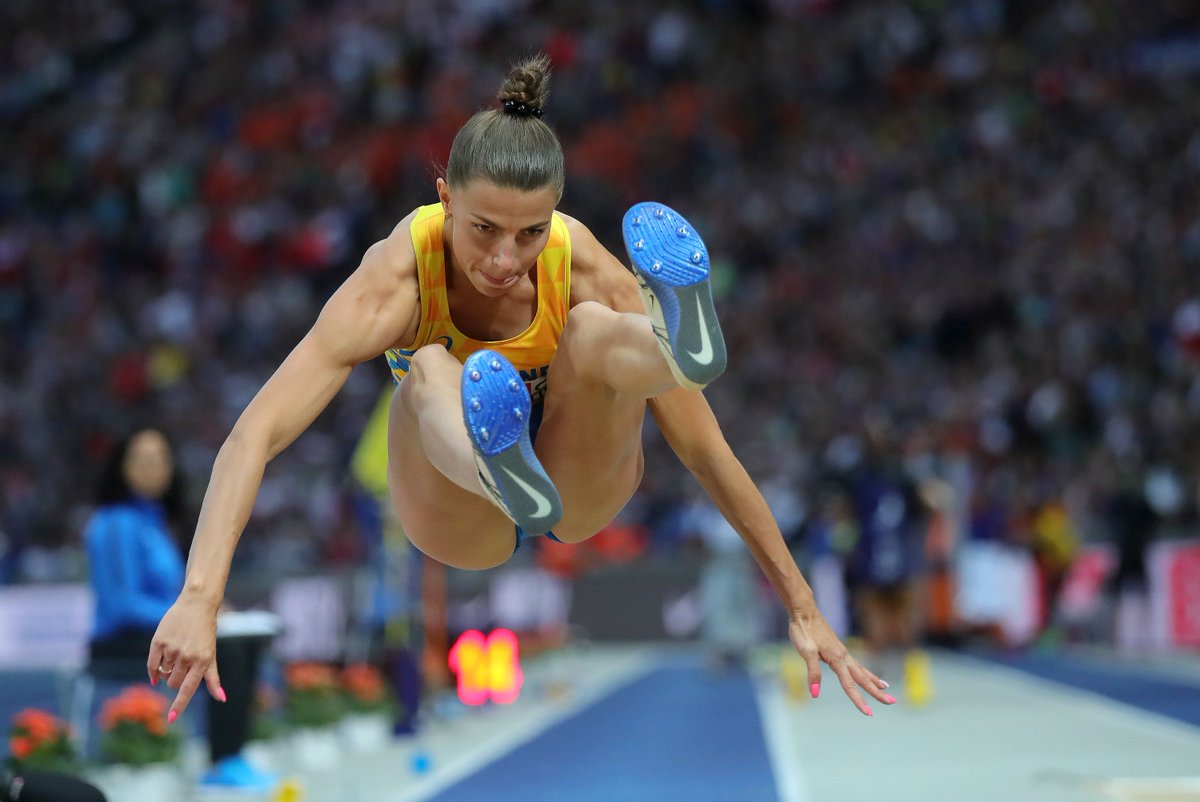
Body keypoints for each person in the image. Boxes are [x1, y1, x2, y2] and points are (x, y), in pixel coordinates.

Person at [149, 54, 895, 720]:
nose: (505, 260)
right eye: (483, 230)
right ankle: (496, 466)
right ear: (444, 198)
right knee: (429, 370)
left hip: (576, 482)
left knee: (592, 328)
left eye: (530, 233)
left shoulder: (580, 260)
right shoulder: (398, 274)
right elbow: (256, 432)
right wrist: (199, 597)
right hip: (457, 510)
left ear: (553, 216)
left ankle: (676, 350)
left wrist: (802, 605)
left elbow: (705, 449)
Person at [83, 428, 276, 790]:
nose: (152, 468)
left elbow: (176, 594)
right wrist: (191, 619)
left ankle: (234, 755)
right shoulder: (116, 522)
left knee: (243, 639)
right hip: (120, 639)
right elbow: (123, 605)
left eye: (160, 460)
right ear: (121, 466)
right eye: (142, 460)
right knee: (225, 647)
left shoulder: (158, 523)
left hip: (153, 630)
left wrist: (206, 611)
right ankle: (224, 762)